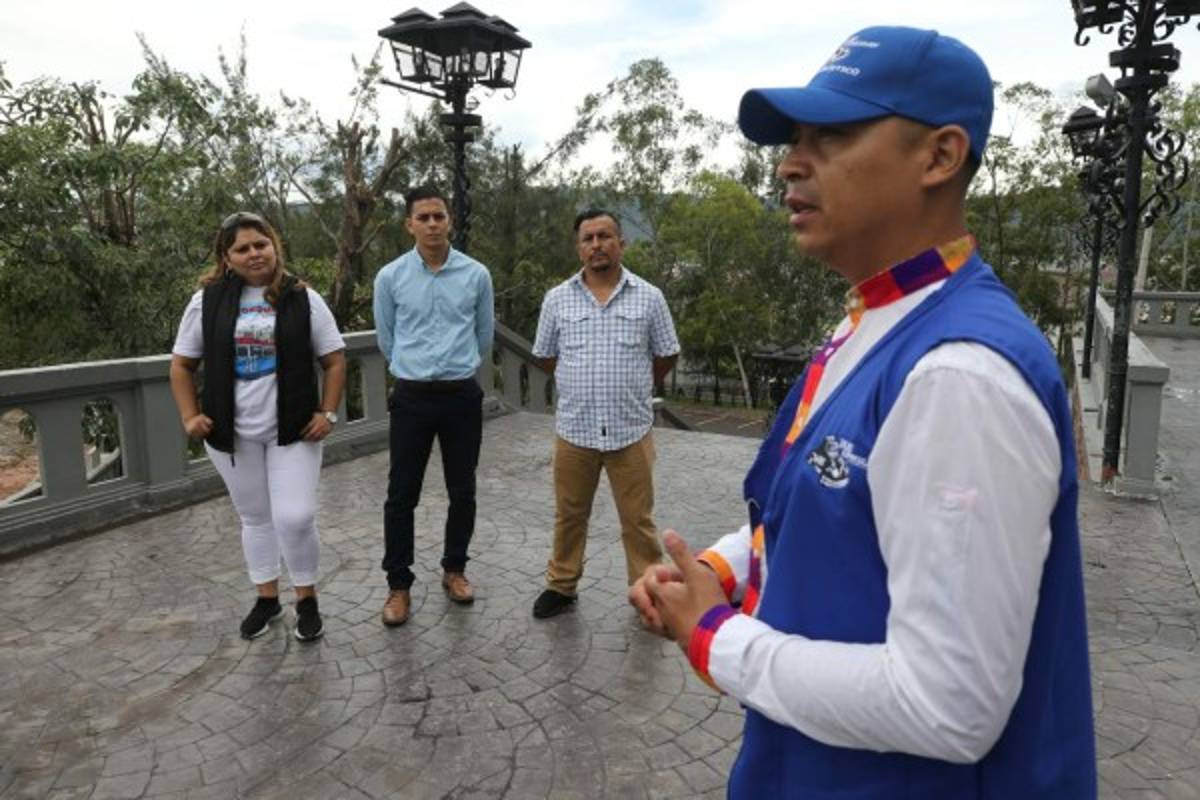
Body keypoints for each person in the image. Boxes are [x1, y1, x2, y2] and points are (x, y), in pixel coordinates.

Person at [629, 26, 1096, 798]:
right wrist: (720, 569)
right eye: (794, 140)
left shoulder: (959, 374)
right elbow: (835, 512)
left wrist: (716, 638)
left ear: (939, 156)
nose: (791, 162)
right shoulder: (880, 318)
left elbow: (949, 705)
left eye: (833, 135)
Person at [170, 212, 346, 643]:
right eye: (242, 249)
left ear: (274, 246)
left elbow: (335, 359)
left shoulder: (302, 297)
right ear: (226, 258)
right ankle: (267, 598)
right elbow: (182, 364)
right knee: (255, 517)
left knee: (296, 517)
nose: (254, 254)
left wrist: (327, 412)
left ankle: (307, 598)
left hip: (293, 428)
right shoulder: (206, 302)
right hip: (231, 432)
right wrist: (190, 416)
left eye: (260, 244)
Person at [530, 209, 680, 619]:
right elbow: (545, 355)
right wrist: (576, 381)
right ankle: (561, 585)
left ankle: (649, 592)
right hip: (575, 430)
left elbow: (667, 353)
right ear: (579, 248)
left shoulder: (649, 297)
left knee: (637, 520)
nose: (597, 245)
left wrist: (635, 386)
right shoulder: (557, 299)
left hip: (630, 430)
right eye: (588, 238)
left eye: (605, 236)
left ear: (621, 244)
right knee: (569, 515)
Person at [374, 185, 494, 626]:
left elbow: (483, 335)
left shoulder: (476, 275)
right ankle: (398, 584)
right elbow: (387, 338)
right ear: (409, 224)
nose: (431, 224)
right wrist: (416, 367)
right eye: (422, 217)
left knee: (463, 490)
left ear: (450, 221)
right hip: (412, 397)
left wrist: (455, 366)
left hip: (461, 395)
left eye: (438, 216)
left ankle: (454, 569)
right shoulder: (390, 277)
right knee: (401, 494)